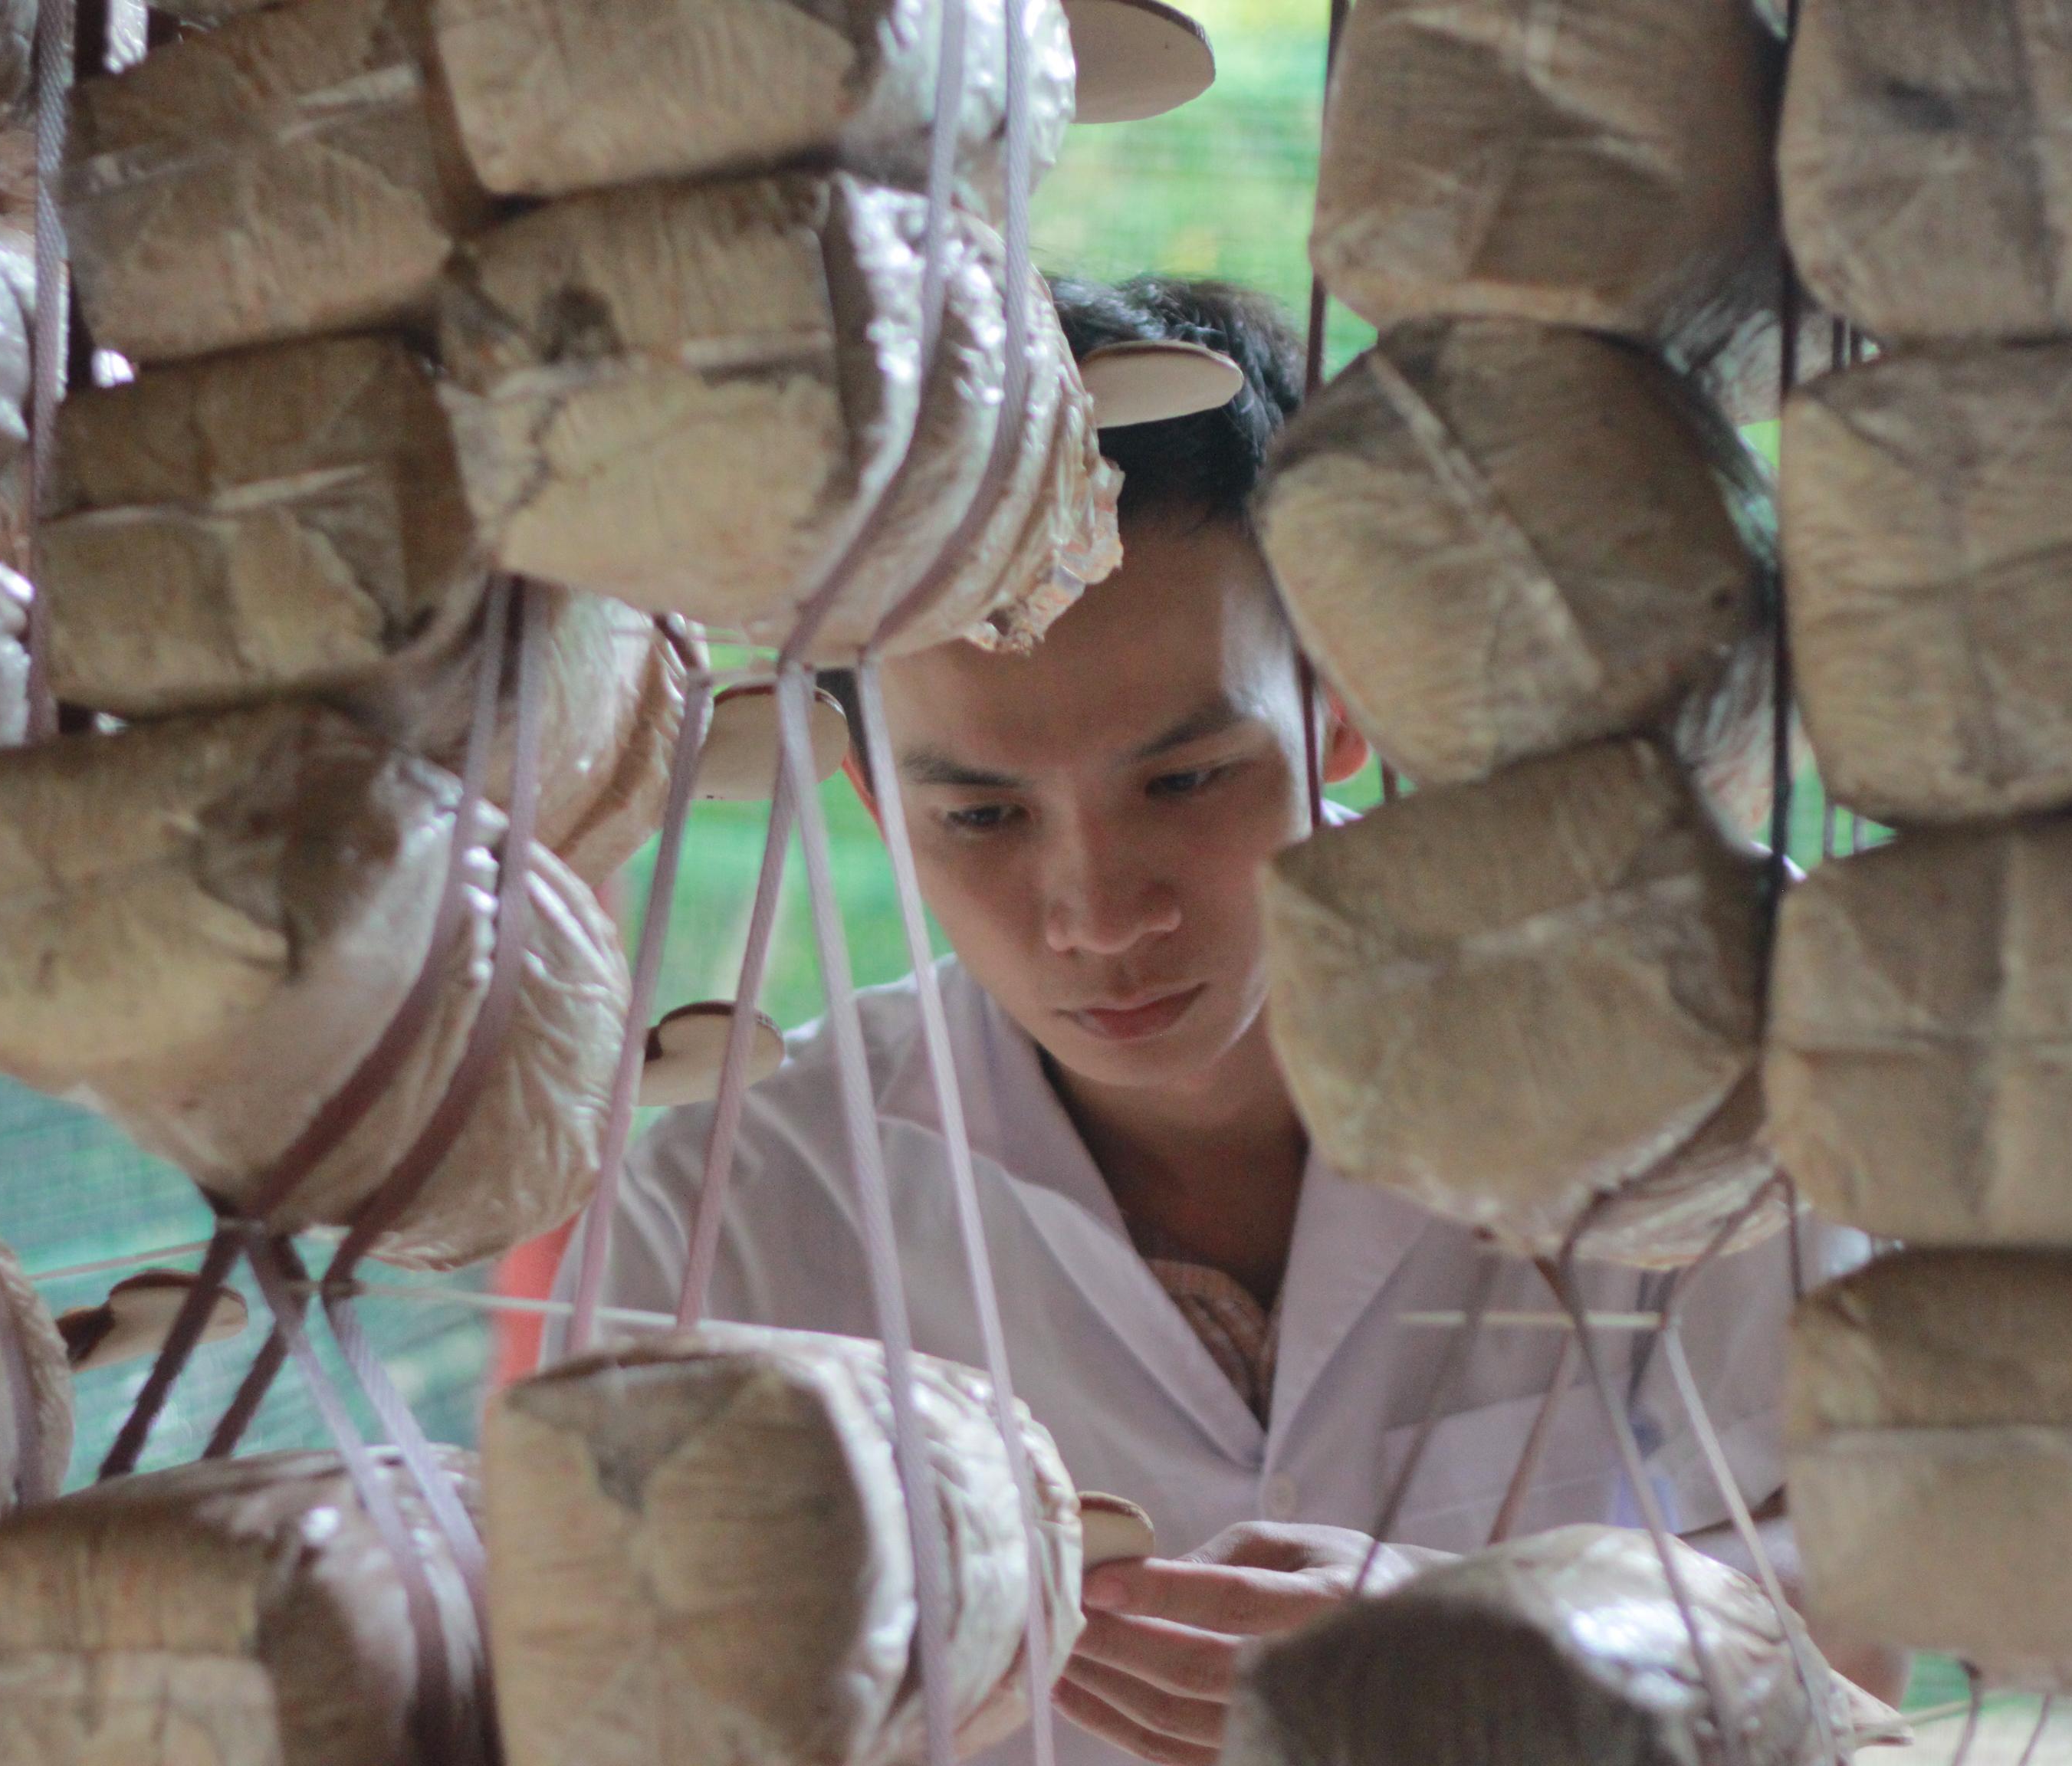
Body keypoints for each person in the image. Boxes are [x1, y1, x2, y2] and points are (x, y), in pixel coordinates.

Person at [563, 275, 1893, 1764]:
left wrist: (1503, 1663)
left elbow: (1856, 1632)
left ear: (1337, 711)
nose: (1097, 913)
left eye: (1186, 781)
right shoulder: (735, 1219)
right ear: (874, 802)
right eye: (984, 815)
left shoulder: (1673, 1064)